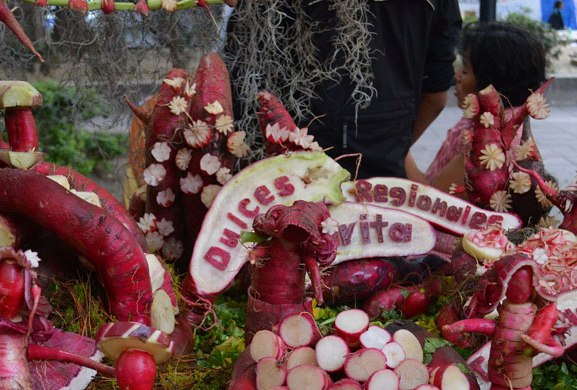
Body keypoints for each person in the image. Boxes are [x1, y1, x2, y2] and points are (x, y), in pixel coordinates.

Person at [222, 0, 462, 180]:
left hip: (287, 162)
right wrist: (393, 144)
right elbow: (436, 94)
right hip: (365, 166)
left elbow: (437, 91)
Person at [405, 21, 555, 225]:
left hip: (447, 249)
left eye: (465, 70)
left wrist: (397, 145)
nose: (456, 75)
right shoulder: (503, 121)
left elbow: (432, 203)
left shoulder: (486, 141)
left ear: (490, 83)